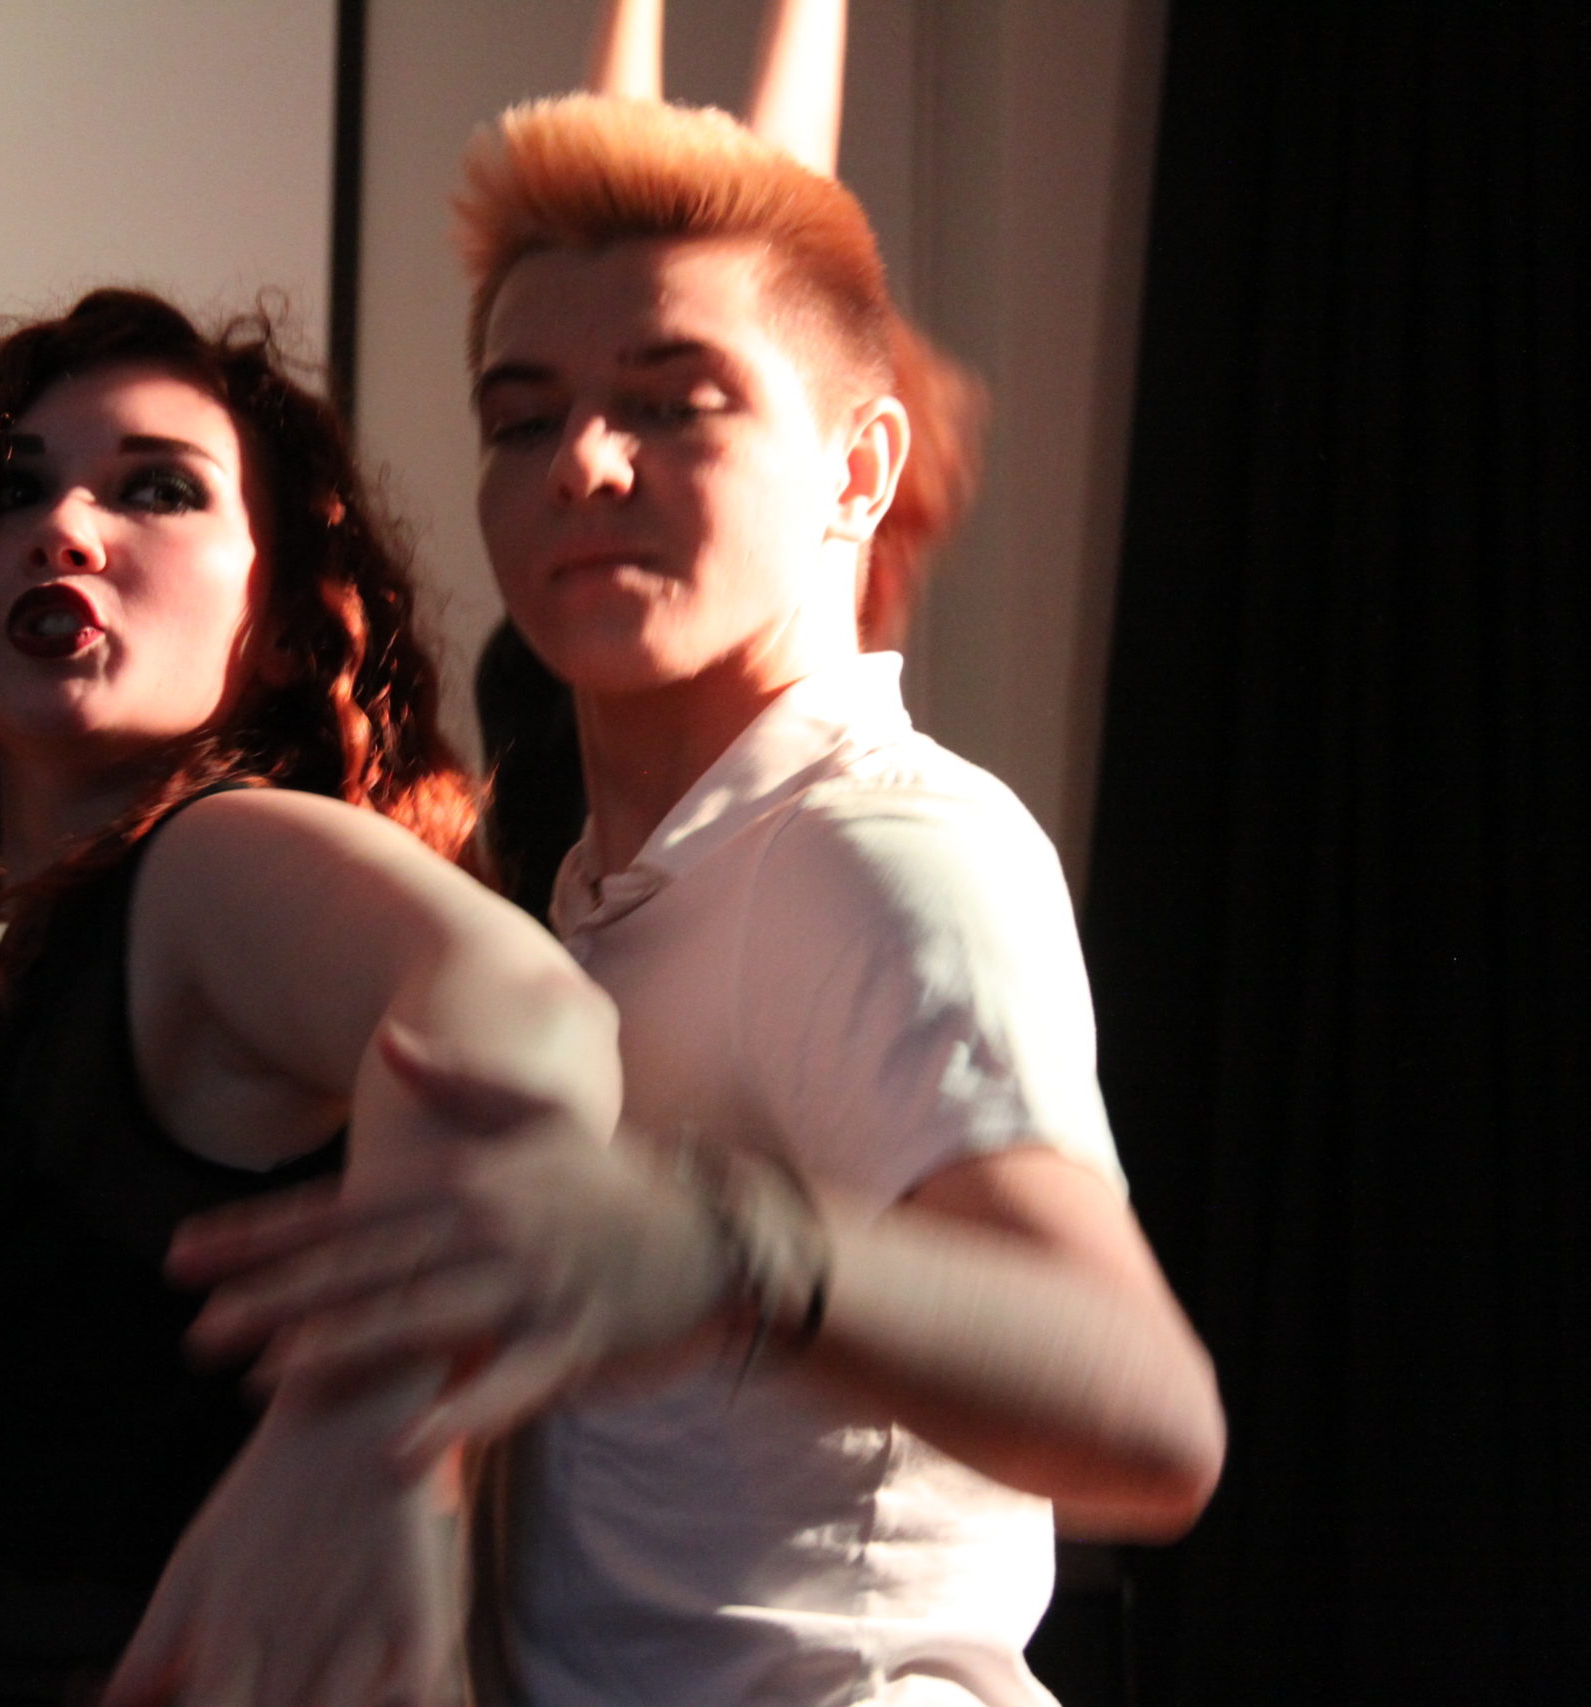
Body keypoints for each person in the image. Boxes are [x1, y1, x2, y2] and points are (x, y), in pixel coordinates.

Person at [167, 5, 1228, 1703]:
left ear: (857, 470)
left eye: (676, 404)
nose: (586, 465)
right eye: (523, 420)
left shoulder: (882, 851)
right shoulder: (602, 887)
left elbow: (1151, 1417)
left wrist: (724, 1248)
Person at [0, 285, 623, 1707]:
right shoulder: (51, 970)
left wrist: (360, 1433)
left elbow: (527, 1013)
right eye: (16, 490)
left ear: (284, 618)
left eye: (158, 490)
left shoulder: (210, 861)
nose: (66, 528)